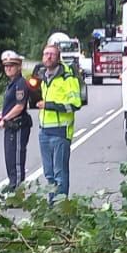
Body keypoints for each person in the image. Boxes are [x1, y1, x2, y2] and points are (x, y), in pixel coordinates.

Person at [33, 40, 83, 202]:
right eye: (46, 54)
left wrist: (49, 105)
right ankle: (51, 207)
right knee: (48, 174)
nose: (48, 57)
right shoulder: (43, 77)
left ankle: (61, 209)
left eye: (52, 54)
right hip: (44, 131)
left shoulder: (67, 78)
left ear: (58, 58)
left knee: (59, 174)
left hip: (61, 132)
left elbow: (75, 105)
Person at [0, 50, 36, 189]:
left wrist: (5, 119)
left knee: (17, 160)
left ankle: (17, 191)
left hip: (18, 126)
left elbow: (19, 106)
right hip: (10, 126)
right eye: (6, 66)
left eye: (12, 65)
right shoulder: (12, 84)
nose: (8, 68)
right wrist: (2, 116)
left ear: (19, 67)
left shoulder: (20, 83)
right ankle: (13, 188)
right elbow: (11, 106)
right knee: (9, 159)